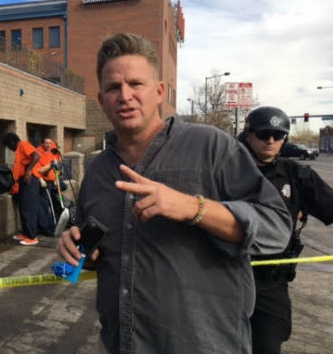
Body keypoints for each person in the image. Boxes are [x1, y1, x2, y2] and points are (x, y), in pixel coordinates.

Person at [57, 33, 292, 354]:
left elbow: (277, 229)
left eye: (136, 84)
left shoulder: (211, 147)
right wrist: (75, 253)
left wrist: (194, 208)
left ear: (158, 92)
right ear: (101, 100)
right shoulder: (97, 171)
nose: (125, 96)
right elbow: (96, 259)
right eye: (113, 87)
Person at [239, 106, 333, 354]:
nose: (270, 140)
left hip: (271, 283)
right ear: (248, 135)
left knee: (267, 346)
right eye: (263, 134)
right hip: (226, 277)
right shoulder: (227, 170)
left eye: (278, 135)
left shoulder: (298, 176)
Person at [1, 132, 52, 245]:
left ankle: (32, 237)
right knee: (24, 208)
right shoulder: (20, 148)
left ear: (12, 142)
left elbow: (37, 155)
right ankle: (25, 233)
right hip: (24, 181)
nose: (10, 149)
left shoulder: (23, 145)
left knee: (29, 209)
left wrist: (29, 170)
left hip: (30, 180)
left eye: (9, 146)